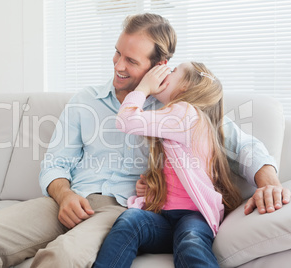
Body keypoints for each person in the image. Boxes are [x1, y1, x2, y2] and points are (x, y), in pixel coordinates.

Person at [0, 13, 290, 268]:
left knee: (63, 257)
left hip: (120, 208)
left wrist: (269, 182)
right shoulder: (85, 100)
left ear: (160, 67)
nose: (118, 66)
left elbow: (244, 145)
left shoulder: (177, 111)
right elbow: (56, 162)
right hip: (68, 199)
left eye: (131, 60)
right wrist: (63, 194)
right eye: (117, 53)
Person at [93, 62, 240, 267]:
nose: (164, 73)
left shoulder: (186, 113)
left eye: (173, 71)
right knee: (131, 220)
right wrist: (150, 191)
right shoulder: (175, 116)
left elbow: (126, 120)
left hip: (194, 216)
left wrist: (143, 88)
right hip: (164, 219)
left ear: (186, 87)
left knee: (191, 241)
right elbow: (182, 176)